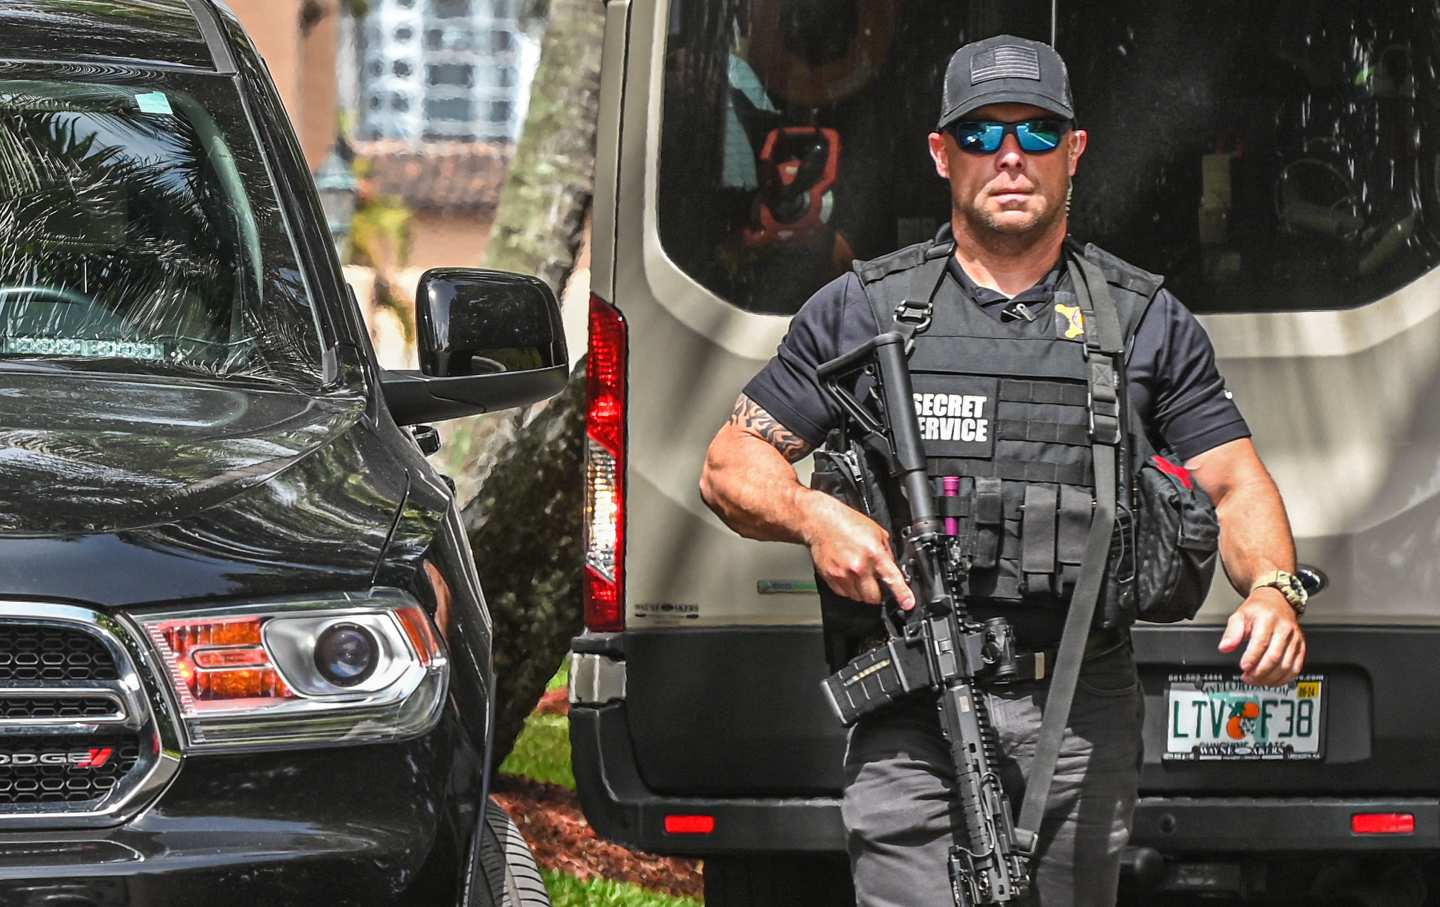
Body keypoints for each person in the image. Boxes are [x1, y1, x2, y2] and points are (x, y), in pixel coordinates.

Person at [699, 33, 1308, 907]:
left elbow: (1235, 481)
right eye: (982, 135)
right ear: (943, 154)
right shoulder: (866, 310)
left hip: (1078, 708)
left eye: (1037, 132)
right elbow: (730, 462)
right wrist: (812, 515)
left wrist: (1276, 589)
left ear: (1075, 152)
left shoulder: (1142, 321)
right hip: (912, 702)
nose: (1010, 156)